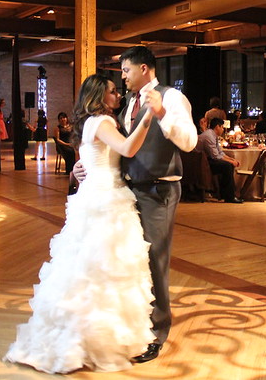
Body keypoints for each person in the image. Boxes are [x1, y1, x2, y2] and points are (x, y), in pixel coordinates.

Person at [5, 74, 159, 373]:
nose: (118, 96)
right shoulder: (102, 122)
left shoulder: (92, 122)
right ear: (100, 96)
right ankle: (93, 339)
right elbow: (127, 149)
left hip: (95, 194)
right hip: (106, 200)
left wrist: (79, 168)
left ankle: (87, 335)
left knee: (88, 271)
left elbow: (90, 159)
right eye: (113, 92)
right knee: (103, 270)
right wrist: (150, 116)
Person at [74, 46, 197, 363]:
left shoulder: (170, 97)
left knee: (155, 260)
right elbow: (112, 148)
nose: (123, 76)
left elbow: (189, 141)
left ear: (144, 68)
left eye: (125, 70)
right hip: (125, 193)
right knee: (130, 262)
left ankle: (157, 333)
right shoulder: (126, 103)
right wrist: (82, 165)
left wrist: (161, 114)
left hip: (158, 190)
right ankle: (130, 325)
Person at [196, 118, 243, 204]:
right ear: (217, 126)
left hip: (207, 160)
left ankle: (225, 194)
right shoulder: (209, 136)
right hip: (201, 163)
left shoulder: (213, 135)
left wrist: (231, 159)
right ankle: (229, 196)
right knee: (227, 166)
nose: (223, 129)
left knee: (229, 164)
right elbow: (215, 156)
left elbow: (220, 152)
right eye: (222, 127)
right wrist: (231, 162)